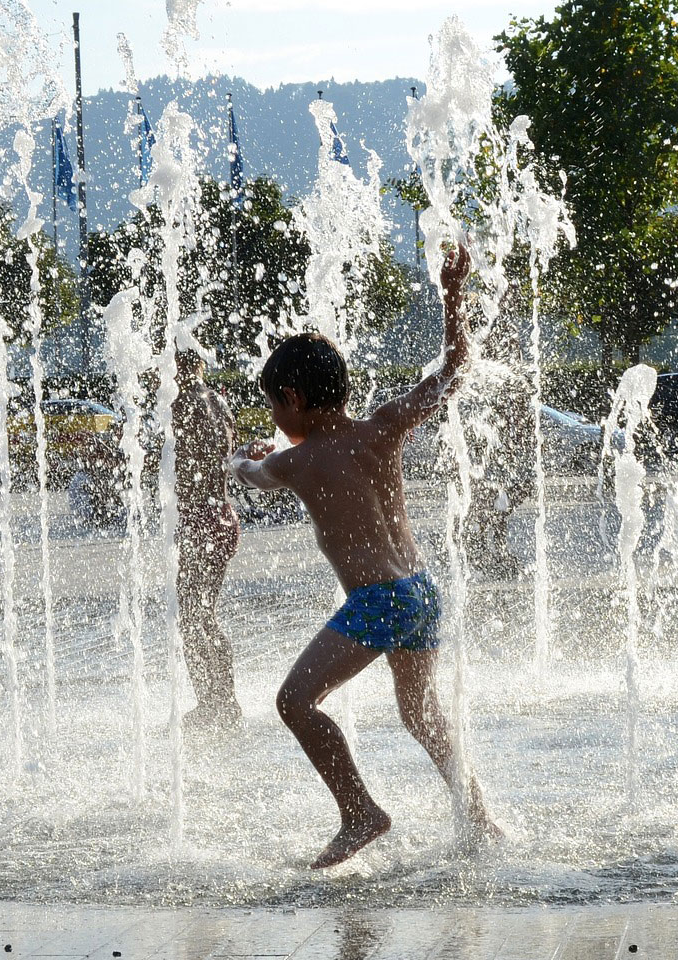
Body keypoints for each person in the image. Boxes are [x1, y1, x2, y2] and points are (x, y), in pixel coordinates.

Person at [231, 247, 498, 869]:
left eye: (275, 404)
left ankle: (359, 813)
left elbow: (257, 474)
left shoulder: (295, 461)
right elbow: (456, 371)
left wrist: (236, 460)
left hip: (378, 599)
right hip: (421, 590)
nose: (275, 415)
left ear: (292, 398)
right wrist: (451, 298)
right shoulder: (384, 425)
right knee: (422, 715)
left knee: (295, 702)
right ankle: (480, 820)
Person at [174, 350, 243, 731]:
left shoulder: (182, 403)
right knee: (204, 615)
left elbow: (173, 461)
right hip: (221, 514)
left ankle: (211, 704)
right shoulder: (219, 402)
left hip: (198, 521)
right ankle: (224, 699)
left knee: (191, 618)